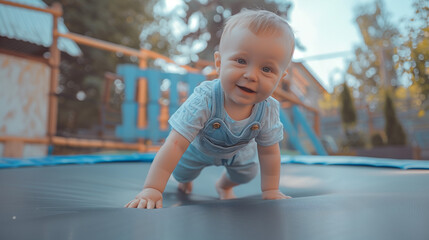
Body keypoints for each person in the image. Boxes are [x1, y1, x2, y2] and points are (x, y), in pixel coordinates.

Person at [125, 9, 295, 209]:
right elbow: (176, 144)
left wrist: (270, 190)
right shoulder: (205, 98)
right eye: (241, 61)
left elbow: (268, 153)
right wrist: (152, 188)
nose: (251, 75)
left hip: (239, 154)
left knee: (247, 174)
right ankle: (184, 181)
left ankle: (223, 186)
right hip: (197, 149)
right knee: (181, 172)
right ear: (219, 63)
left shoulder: (268, 109)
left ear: (280, 78)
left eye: (266, 69)